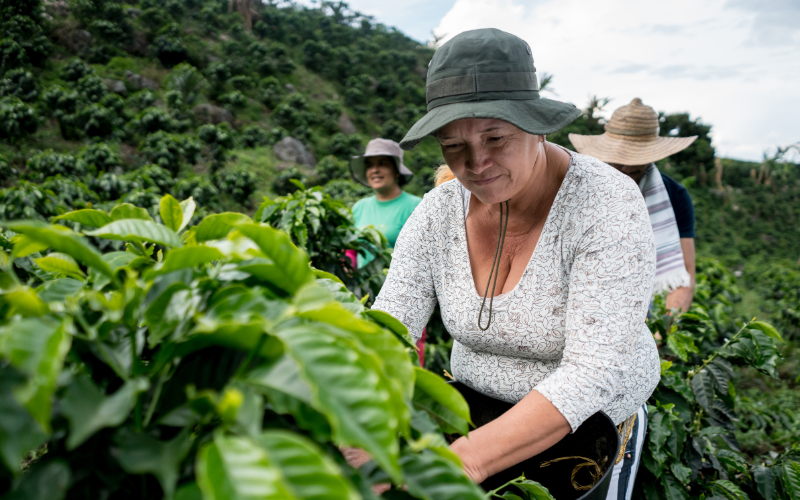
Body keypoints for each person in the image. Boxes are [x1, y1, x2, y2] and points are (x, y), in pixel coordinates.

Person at [371, 28, 660, 499]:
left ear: (535, 125)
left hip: (587, 432)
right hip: (471, 413)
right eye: (454, 146)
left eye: (496, 137)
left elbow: (591, 371)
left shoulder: (604, 204)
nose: (476, 163)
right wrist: (356, 422)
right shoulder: (438, 212)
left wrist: (461, 461)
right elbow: (389, 324)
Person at [569, 98, 697, 314]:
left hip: (642, 309)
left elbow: (684, 273)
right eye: (619, 158)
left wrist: (663, 329)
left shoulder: (675, 197)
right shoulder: (580, 186)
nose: (627, 165)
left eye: (636, 158)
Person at [347, 138, 427, 364]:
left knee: (404, 357)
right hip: (362, 296)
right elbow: (351, 251)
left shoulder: (415, 205)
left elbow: (423, 256)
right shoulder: (359, 207)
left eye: (382, 163)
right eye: (370, 165)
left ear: (396, 170)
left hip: (403, 298)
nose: (375, 170)